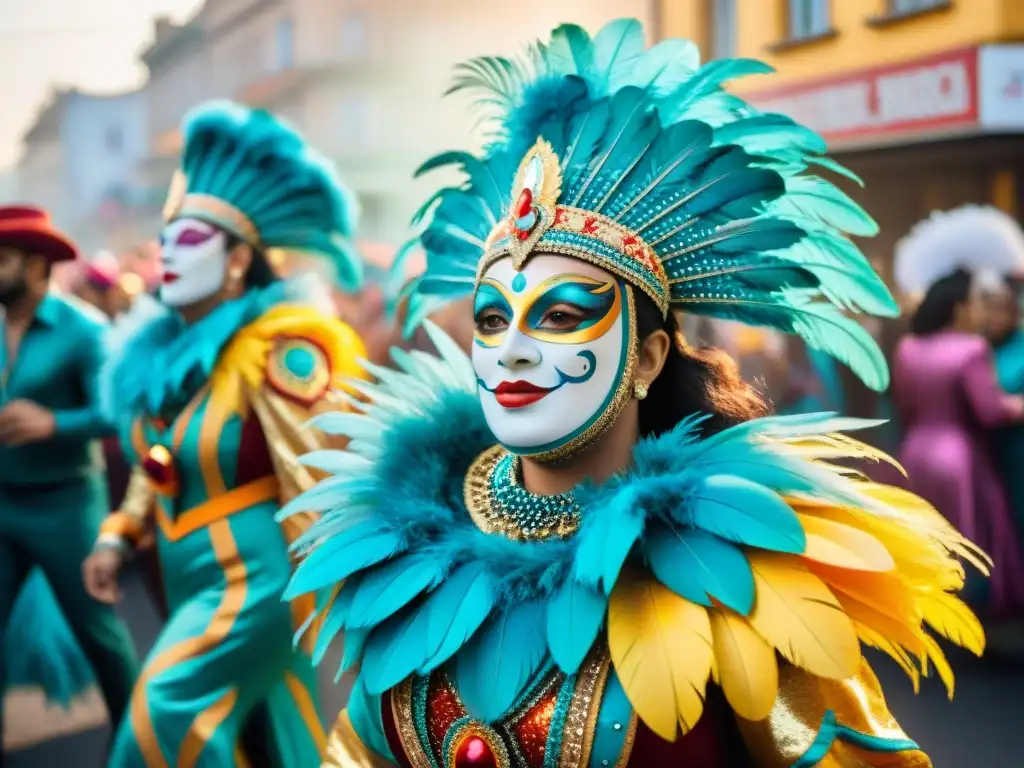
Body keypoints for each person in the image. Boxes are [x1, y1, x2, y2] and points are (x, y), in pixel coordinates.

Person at [285, 20, 985, 767]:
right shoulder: (406, 550)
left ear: (647, 357)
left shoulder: (737, 571)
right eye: (492, 319)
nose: (512, 346)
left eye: (560, 316)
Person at [81, 101, 367, 767]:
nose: (166, 253)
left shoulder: (283, 351)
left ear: (238, 259)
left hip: (257, 580)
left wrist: (335, 593)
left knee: (159, 722)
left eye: (189, 239)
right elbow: (159, 463)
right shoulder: (165, 364)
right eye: (164, 239)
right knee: (274, 743)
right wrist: (117, 535)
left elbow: (322, 474)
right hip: (187, 577)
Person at [0, 205, 140, 761]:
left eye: (2, 259)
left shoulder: (84, 329)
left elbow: (118, 410)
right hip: (3, 501)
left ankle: (136, 747)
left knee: (98, 634)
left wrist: (54, 423)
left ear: (37, 266)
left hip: (67, 504)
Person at [893, 269, 1024, 617]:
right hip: (958, 452)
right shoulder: (971, 348)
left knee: (927, 532)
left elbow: (903, 405)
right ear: (959, 307)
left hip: (915, 449)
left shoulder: (908, 347)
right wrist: (1018, 405)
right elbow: (990, 412)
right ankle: (971, 608)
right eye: (975, 303)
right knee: (968, 535)